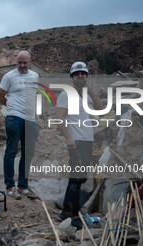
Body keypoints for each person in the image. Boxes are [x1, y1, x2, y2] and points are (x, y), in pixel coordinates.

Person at [55, 61, 103, 219]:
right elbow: (59, 117)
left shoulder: (88, 94)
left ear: (87, 76)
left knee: (79, 177)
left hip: (87, 140)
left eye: (83, 73)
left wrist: (92, 93)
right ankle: (74, 216)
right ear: (72, 77)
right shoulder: (66, 94)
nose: (80, 76)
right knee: (77, 177)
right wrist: (68, 138)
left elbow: (101, 111)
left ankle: (66, 212)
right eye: (77, 74)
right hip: (75, 141)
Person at [0, 50, 40, 199]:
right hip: (14, 118)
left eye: (25, 62)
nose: (22, 65)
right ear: (16, 62)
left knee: (28, 153)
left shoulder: (35, 76)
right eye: (19, 62)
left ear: (30, 61)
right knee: (11, 151)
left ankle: (23, 186)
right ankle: (10, 187)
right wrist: (12, 107)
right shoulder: (9, 76)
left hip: (30, 120)